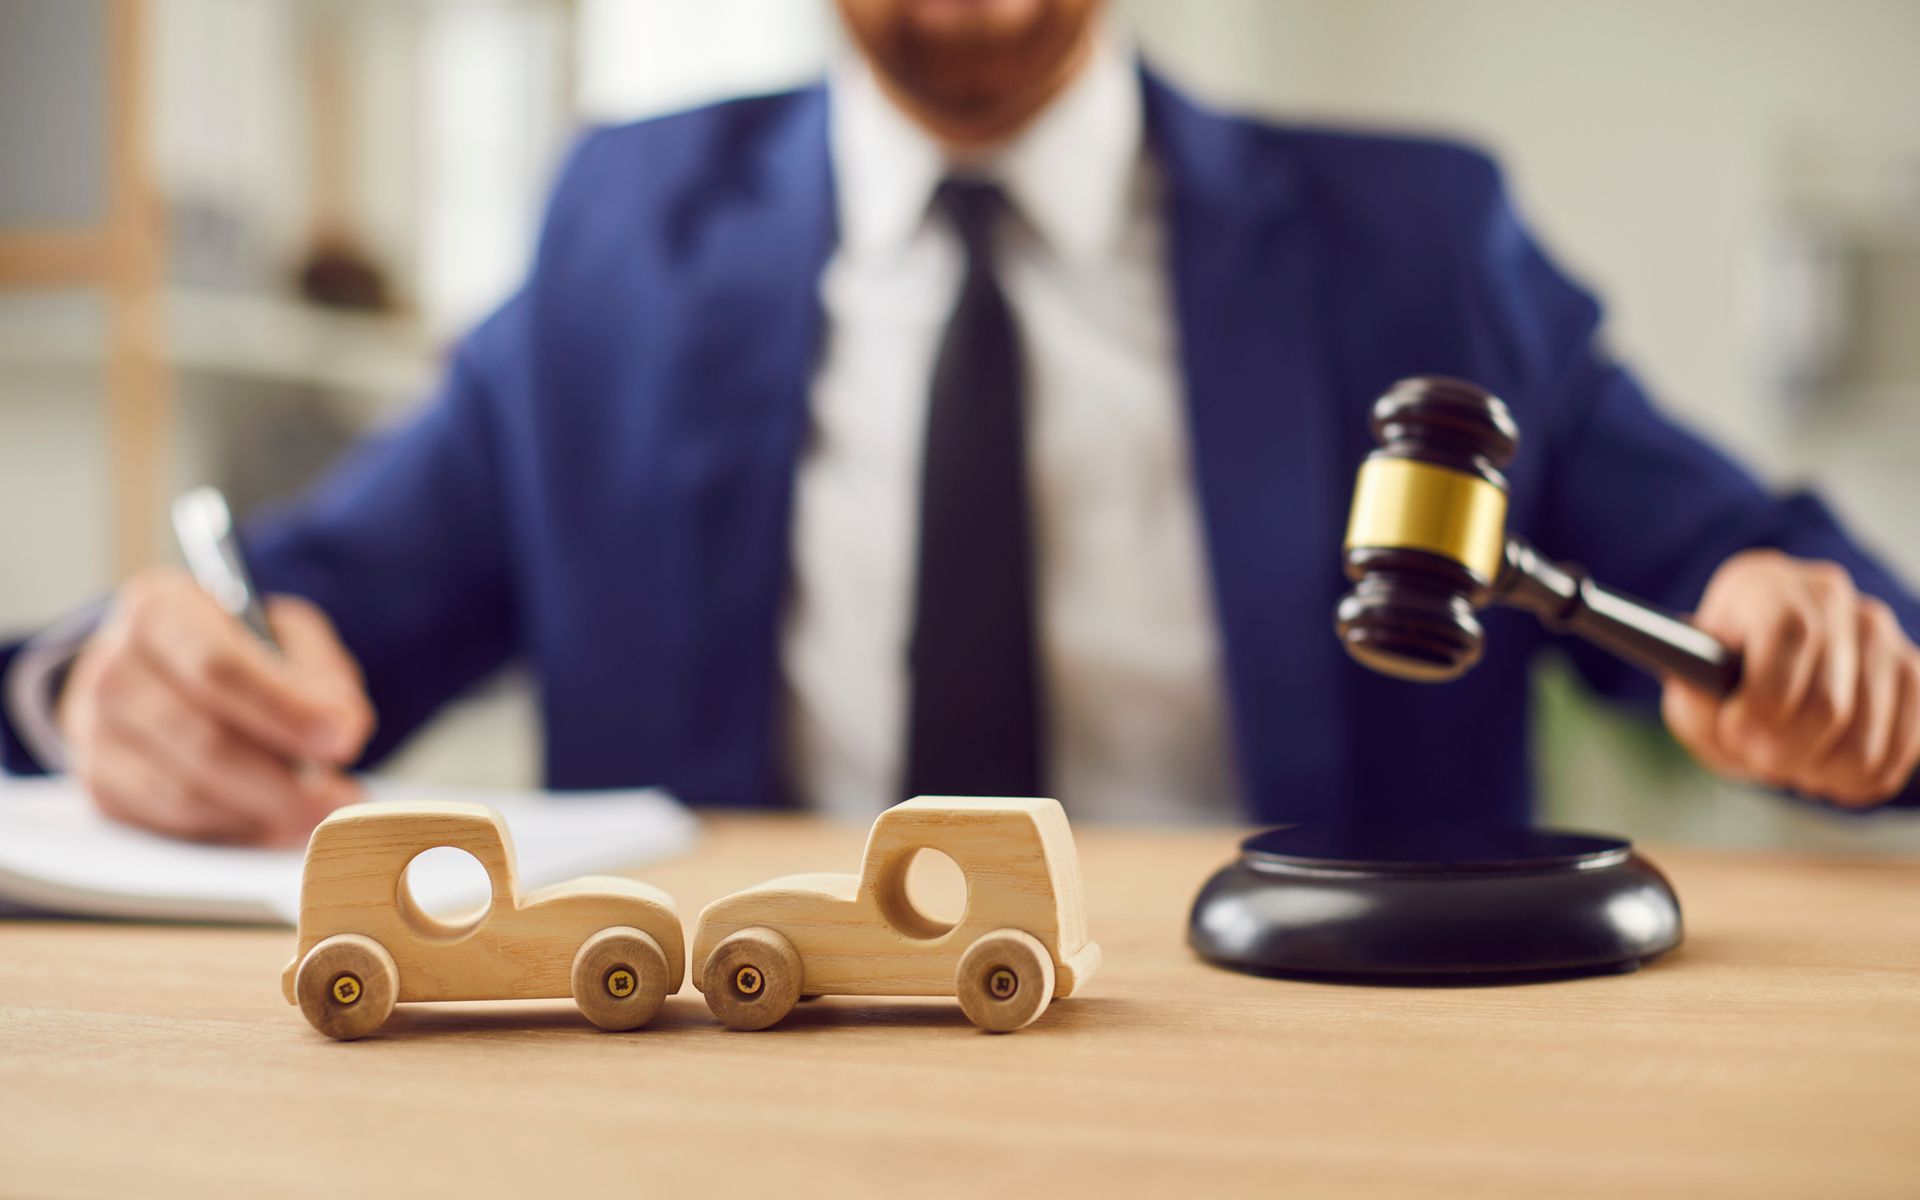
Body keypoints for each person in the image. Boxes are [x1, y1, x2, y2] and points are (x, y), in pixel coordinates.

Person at [3, 0, 1917, 845]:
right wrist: (114, 688)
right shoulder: (616, 239)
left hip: (1317, 1112)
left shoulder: (1419, 242)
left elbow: (1758, 581)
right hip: (739, 1096)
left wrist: (1806, 632)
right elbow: (314, 611)